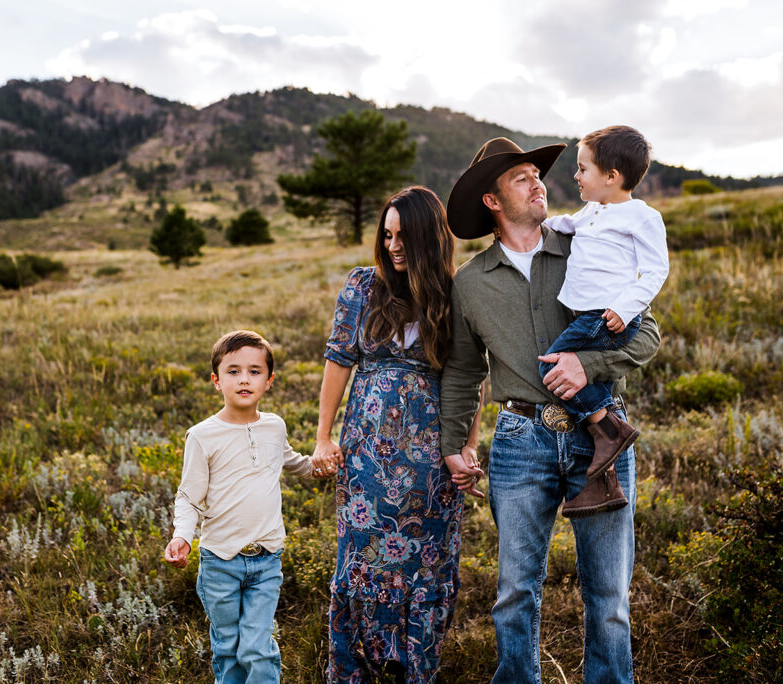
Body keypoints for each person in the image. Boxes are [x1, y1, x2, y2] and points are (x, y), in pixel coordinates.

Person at [439, 138, 661, 683]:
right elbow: (465, 372)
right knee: (515, 591)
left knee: (608, 595)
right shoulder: (469, 283)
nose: (539, 182)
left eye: (538, 175)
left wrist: (589, 365)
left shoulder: (587, 247)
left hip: (600, 435)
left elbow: (647, 333)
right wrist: (452, 446)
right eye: (521, 178)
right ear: (493, 201)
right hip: (520, 441)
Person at [311, 186, 481, 684]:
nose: (393, 246)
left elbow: (469, 379)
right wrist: (324, 437)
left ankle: (414, 669)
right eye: (386, 235)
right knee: (361, 561)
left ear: (430, 237)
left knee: (424, 567)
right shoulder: (363, 286)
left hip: (432, 465)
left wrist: (467, 447)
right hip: (366, 457)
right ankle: (355, 672)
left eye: (403, 236)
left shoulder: (454, 295)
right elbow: (338, 361)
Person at [163, 329, 330, 684]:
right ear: (216, 380)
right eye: (233, 370)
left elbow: (292, 461)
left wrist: (322, 465)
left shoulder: (274, 426)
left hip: (266, 558)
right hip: (219, 562)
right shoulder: (202, 435)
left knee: (257, 647)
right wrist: (182, 536)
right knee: (229, 647)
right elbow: (189, 498)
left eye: (254, 371)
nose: (244, 379)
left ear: (269, 381)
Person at [538, 125, 669, 517]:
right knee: (573, 374)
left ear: (611, 177)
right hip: (586, 312)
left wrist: (625, 309)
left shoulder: (641, 217)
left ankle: (609, 429)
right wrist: (541, 224)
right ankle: (602, 456)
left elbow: (655, 270)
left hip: (606, 315)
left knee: (550, 365)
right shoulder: (593, 211)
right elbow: (570, 224)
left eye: (583, 170)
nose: (576, 177)